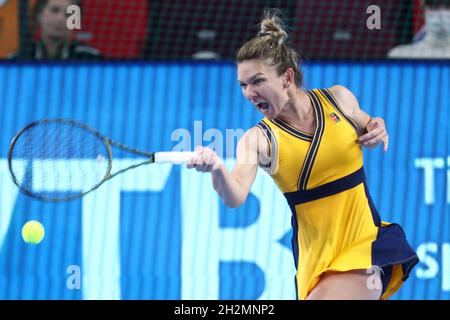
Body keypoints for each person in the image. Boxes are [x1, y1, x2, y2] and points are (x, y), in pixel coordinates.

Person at [187, 10, 419, 300]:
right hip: (316, 264)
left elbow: (368, 124)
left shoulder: (338, 99)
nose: (249, 93)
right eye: (243, 85)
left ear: (287, 78)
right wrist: (216, 169)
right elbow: (234, 196)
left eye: (257, 81)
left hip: (366, 245)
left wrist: (377, 126)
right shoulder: (258, 140)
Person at [11, 0, 101, 60]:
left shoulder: (90, 58)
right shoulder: (19, 58)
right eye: (54, 10)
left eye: (69, 14)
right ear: (39, 14)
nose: (60, 19)